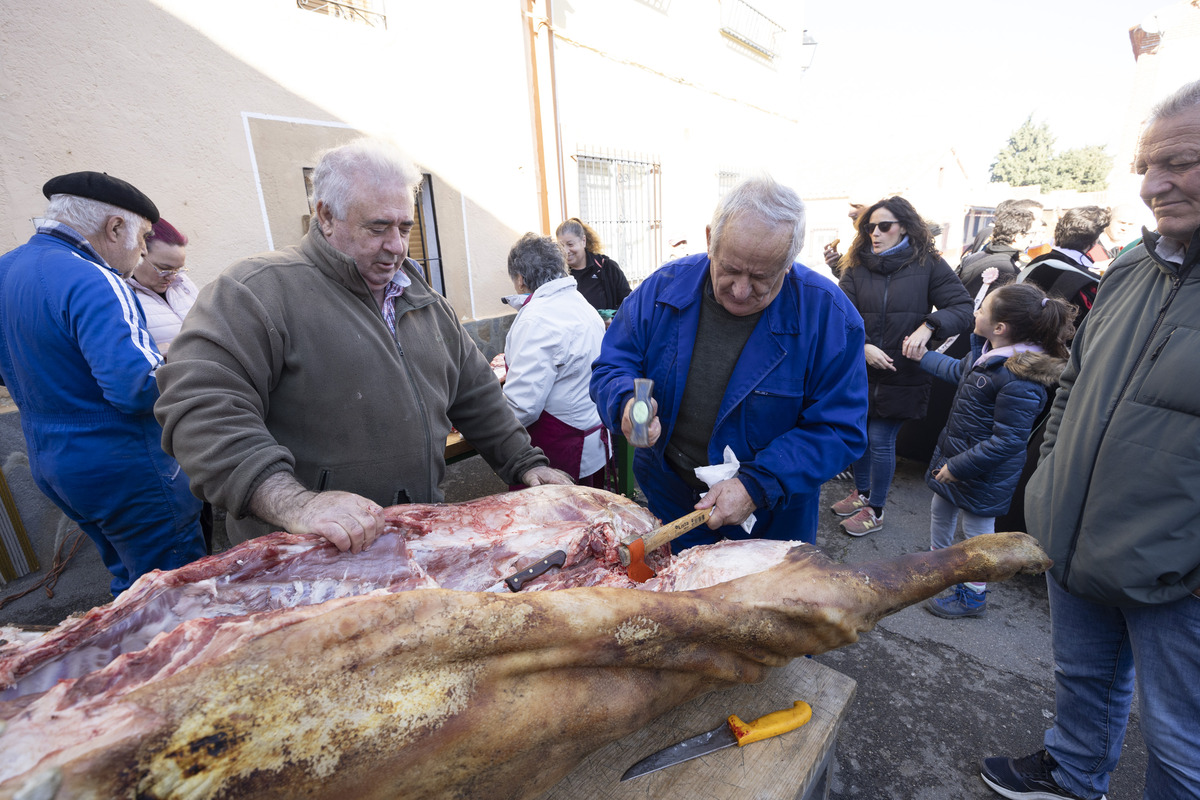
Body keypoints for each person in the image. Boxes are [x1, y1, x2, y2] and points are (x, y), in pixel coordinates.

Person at [155, 138, 570, 551]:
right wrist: (295, 503)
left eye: (405, 227)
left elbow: (476, 393)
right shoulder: (256, 292)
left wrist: (526, 462)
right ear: (326, 216)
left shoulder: (421, 297)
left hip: (414, 539)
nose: (396, 246)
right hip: (307, 556)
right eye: (377, 227)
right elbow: (198, 406)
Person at [981, 78, 1200, 800]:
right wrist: (1048, 488)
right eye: (1146, 166)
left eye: (1181, 162)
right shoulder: (1135, 266)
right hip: (1076, 532)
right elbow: (1074, 384)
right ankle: (1073, 773)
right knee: (1085, 680)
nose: (1153, 186)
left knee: (1182, 745)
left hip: (1181, 575)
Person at [590, 176, 867, 551]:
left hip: (774, 514)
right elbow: (613, 365)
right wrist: (624, 400)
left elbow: (840, 428)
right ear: (709, 239)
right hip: (672, 497)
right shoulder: (661, 289)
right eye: (730, 269)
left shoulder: (830, 317)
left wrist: (758, 483)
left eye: (761, 278)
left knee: (765, 607)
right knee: (683, 602)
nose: (740, 290)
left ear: (790, 262)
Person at [0, 172, 206, 595]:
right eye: (143, 238)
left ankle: (128, 654)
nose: (142, 250)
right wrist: (186, 358)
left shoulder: (7, 268)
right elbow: (136, 388)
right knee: (175, 590)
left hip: (54, 460)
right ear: (115, 228)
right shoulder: (96, 277)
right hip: (126, 464)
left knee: (130, 580)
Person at [906, 283, 1071, 618]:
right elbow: (958, 371)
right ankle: (939, 570)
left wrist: (958, 466)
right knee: (941, 508)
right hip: (957, 460)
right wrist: (923, 357)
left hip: (983, 474)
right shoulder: (986, 354)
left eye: (982, 309)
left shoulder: (1020, 380)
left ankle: (972, 595)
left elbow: (1009, 440)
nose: (975, 313)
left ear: (1000, 327)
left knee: (978, 533)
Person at [831, 196, 973, 536]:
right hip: (860, 370)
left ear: (904, 227)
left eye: (884, 226)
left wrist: (930, 326)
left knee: (880, 439)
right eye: (869, 227)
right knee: (860, 434)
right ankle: (862, 492)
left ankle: (875, 510)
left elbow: (963, 308)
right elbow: (839, 315)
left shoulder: (929, 264)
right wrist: (862, 346)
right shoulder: (855, 265)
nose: (875, 234)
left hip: (902, 373)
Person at [501, 233, 612, 488]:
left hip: (559, 454)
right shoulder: (580, 303)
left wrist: (484, 422)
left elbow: (522, 407)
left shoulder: (537, 318)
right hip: (590, 438)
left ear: (520, 280)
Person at [127, 218, 201, 353]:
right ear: (139, 253)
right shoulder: (122, 295)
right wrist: (155, 353)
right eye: (164, 269)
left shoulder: (182, 282)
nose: (173, 277)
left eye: (178, 269)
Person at [554, 218, 631, 312]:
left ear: (583, 241)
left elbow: (628, 302)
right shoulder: (557, 274)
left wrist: (612, 318)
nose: (566, 251)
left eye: (570, 245)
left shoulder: (607, 267)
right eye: (561, 246)